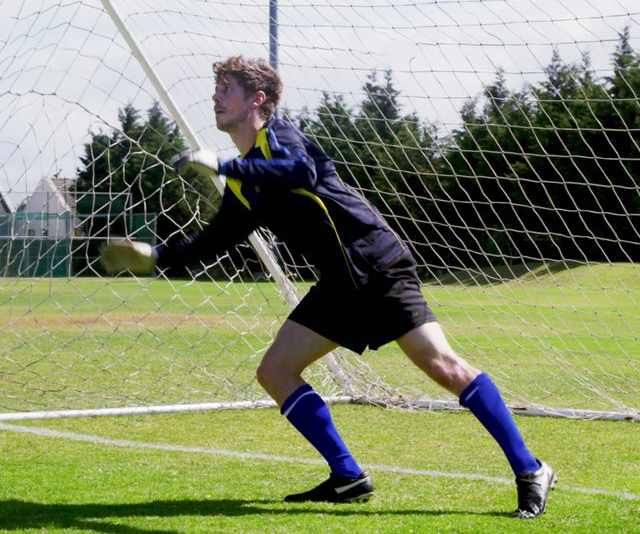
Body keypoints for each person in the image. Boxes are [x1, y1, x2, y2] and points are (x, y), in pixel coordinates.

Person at [101, 56, 556, 519]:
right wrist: (156, 256)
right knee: (275, 372)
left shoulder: (281, 137)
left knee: (442, 365)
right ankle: (348, 476)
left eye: (226, 89)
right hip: (340, 284)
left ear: (257, 100)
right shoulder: (244, 179)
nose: (215, 97)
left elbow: (300, 173)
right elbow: (215, 240)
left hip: (377, 265)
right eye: (216, 88)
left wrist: (223, 165)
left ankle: (530, 469)